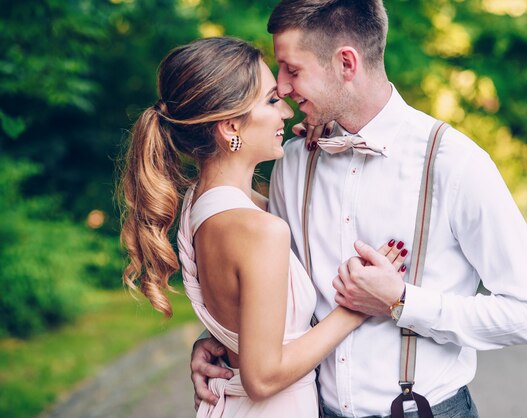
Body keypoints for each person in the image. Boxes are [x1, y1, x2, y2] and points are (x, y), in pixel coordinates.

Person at [191, 1, 527, 417]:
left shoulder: (452, 162)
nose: (284, 87)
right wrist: (224, 340)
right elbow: (269, 287)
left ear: (345, 63)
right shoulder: (292, 163)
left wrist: (402, 301)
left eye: (293, 70)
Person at [118, 36, 409, 417]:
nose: (287, 113)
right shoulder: (258, 230)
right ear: (230, 127)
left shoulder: (203, 205)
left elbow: (241, 318)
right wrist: (356, 307)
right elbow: (262, 377)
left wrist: (320, 156)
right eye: (272, 101)